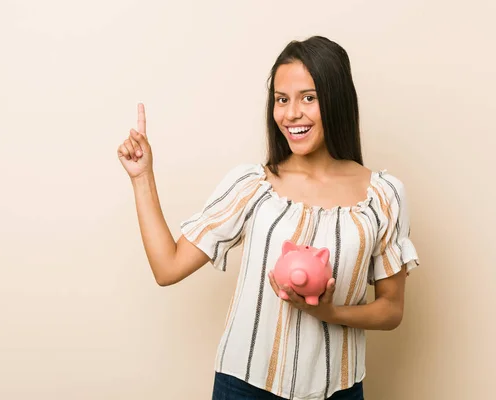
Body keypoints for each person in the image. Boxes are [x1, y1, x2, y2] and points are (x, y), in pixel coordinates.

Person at [116, 36, 419, 400]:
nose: (291, 114)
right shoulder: (253, 185)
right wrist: (142, 177)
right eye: (281, 99)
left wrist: (330, 312)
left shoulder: (383, 195)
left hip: (338, 390)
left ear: (336, 99)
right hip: (244, 387)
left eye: (308, 97)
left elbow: (391, 309)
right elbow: (167, 267)